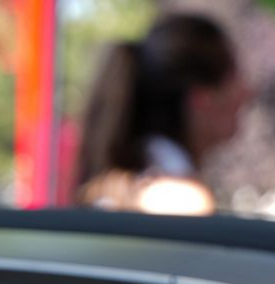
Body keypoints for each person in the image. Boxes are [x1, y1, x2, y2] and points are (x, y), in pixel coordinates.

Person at [75, 14, 251, 215]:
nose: (248, 91)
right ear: (202, 97)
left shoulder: (126, 184)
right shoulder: (179, 199)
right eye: (234, 75)